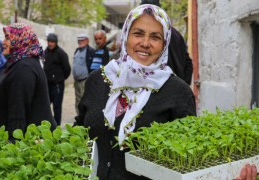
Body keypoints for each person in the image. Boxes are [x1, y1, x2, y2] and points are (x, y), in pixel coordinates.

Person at [74, 5, 196, 179]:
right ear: (125, 36)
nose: (145, 43)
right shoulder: (98, 80)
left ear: (164, 44)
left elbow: (190, 158)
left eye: (155, 37)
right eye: (138, 33)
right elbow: (80, 129)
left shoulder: (178, 92)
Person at [0, 23, 57, 143]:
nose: (3, 42)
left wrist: (12, 143)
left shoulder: (24, 68)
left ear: (20, 40)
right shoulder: (26, 64)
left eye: (7, 37)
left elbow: (18, 112)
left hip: (29, 144)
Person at [140, 0, 193, 85]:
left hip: (161, 86)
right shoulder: (176, 33)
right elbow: (188, 63)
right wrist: (184, 84)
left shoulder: (169, 33)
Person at [43, 33, 71, 126]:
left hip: (57, 85)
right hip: (47, 84)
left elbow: (67, 69)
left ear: (56, 42)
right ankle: (48, 125)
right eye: (49, 41)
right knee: (45, 106)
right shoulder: (45, 52)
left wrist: (60, 79)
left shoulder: (61, 53)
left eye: (52, 42)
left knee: (57, 107)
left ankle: (57, 126)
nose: (50, 44)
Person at [72, 34, 95, 114]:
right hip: (76, 81)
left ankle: (84, 118)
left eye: (83, 40)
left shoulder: (91, 51)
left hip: (84, 80)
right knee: (77, 100)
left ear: (87, 41)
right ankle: (79, 117)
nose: (80, 42)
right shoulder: (77, 50)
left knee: (84, 100)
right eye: (79, 40)